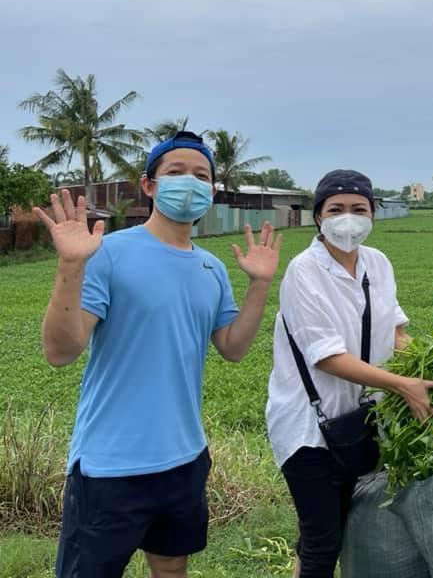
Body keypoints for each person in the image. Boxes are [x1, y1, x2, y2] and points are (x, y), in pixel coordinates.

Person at [33, 131, 282, 578]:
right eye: (176, 172)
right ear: (149, 185)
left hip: (184, 458)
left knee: (171, 569)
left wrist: (260, 286)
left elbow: (233, 347)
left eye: (201, 175)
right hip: (110, 465)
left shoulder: (212, 267)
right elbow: (59, 351)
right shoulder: (108, 253)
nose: (189, 182)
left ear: (211, 190)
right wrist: (71, 265)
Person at [266, 169, 433, 578]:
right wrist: (403, 384)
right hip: (310, 427)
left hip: (363, 421)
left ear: (372, 216)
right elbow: (326, 356)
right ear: (318, 217)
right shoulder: (303, 271)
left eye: (358, 209)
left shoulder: (378, 264)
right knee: (322, 540)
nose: (348, 219)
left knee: (349, 525)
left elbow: (396, 334)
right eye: (336, 209)